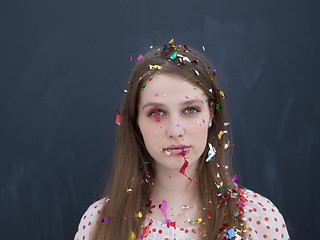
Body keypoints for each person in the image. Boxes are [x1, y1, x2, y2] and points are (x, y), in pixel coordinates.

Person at [74, 40, 290, 240]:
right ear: (136, 122)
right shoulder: (97, 223)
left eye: (191, 110)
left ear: (211, 116)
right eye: (157, 113)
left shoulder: (259, 218)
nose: (175, 131)